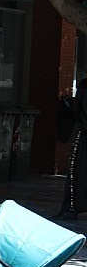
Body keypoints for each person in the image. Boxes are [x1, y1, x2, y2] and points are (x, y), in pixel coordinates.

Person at [54, 78, 87, 220]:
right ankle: (72, 207)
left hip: (84, 135)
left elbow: (78, 111)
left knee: (77, 171)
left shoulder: (85, 86)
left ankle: (71, 207)